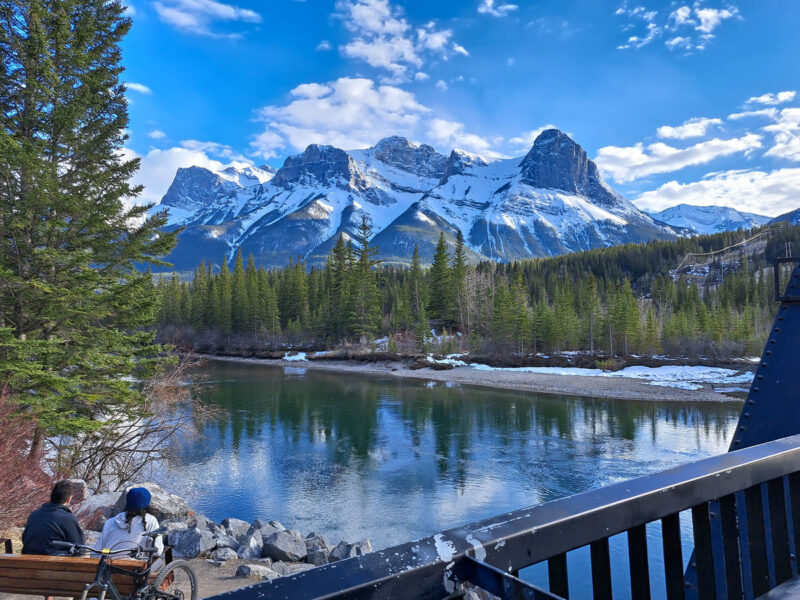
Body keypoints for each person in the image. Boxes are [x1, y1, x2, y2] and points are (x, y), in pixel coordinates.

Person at [96, 487, 164, 568]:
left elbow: (97, 550)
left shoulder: (110, 521)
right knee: (159, 561)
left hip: (105, 567)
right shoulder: (150, 520)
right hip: (133, 570)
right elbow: (157, 551)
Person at [22, 480, 85, 555]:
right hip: (54, 565)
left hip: (28, 563)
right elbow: (80, 549)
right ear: (68, 499)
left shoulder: (33, 515)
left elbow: (25, 539)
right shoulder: (68, 519)